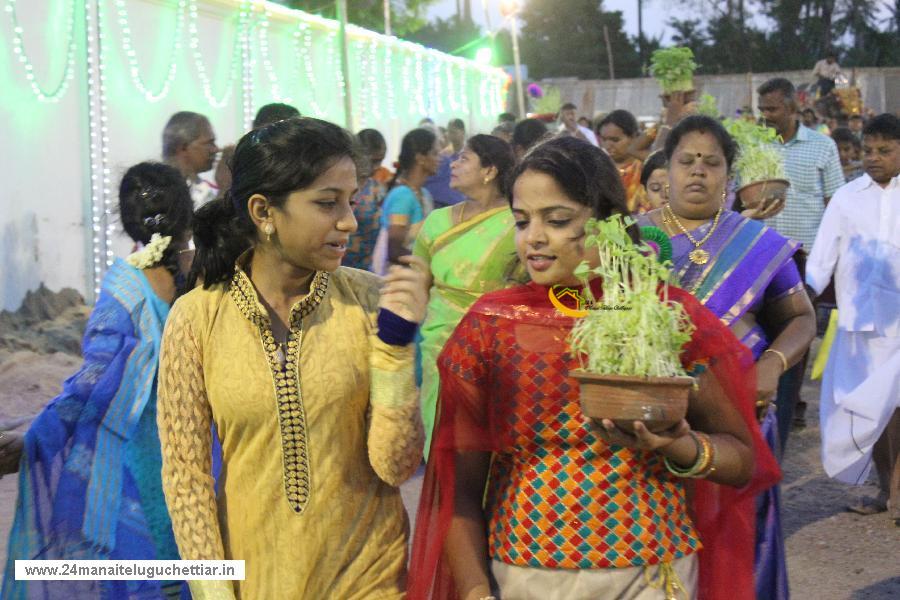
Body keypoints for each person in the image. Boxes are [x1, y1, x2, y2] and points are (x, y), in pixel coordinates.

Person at [408, 136, 780, 600]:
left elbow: (741, 461)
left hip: (650, 570)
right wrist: (477, 592)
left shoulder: (660, 317)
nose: (534, 238)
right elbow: (458, 489)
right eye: (522, 222)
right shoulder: (492, 327)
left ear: (608, 223)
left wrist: (679, 444)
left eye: (558, 220)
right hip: (527, 573)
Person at [157, 117, 427, 599]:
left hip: (367, 573)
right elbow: (187, 477)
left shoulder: (369, 301)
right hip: (257, 576)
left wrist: (394, 349)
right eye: (328, 203)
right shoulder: (196, 318)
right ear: (264, 211)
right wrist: (213, 591)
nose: (349, 220)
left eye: (350, 199)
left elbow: (396, 466)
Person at [639, 115, 817, 599]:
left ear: (729, 175)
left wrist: (772, 365)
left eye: (711, 162)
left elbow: (801, 317)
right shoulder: (631, 239)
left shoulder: (755, 242)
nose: (698, 172)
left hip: (742, 414)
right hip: (655, 418)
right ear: (668, 168)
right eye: (687, 161)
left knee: (740, 545)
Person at [2, 162, 194, 599]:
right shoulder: (208, 274)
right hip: (203, 449)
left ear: (126, 219)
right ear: (187, 212)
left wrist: (38, 432)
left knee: (151, 566)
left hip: (144, 453)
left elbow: (92, 384)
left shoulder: (126, 287)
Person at [806, 113, 900, 526]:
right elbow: (821, 259)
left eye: (885, 150)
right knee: (871, 411)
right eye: (868, 150)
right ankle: (885, 488)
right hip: (861, 326)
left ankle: (895, 494)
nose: (873, 158)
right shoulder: (846, 198)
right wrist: (799, 303)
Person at [414, 134, 523, 453]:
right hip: (437, 340)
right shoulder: (436, 221)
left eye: (464, 158)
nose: (453, 163)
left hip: (493, 347)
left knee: (481, 443)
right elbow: (420, 284)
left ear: (489, 170)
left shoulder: (517, 223)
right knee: (441, 440)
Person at [756, 77, 844, 441]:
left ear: (793, 109)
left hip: (802, 261)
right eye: (762, 110)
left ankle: (788, 413)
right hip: (757, 258)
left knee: (796, 339)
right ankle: (760, 409)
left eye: (772, 109)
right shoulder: (754, 146)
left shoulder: (822, 147)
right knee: (759, 337)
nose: (766, 117)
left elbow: (837, 206)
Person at [372, 128, 439, 275]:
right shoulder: (402, 196)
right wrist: (432, 265)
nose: (439, 158)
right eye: (434, 153)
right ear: (420, 158)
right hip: (397, 281)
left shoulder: (425, 195)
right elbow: (394, 250)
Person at [344, 138, 387, 270]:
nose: (377, 166)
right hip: (338, 265)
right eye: (374, 160)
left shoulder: (378, 189)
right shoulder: (338, 186)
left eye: (380, 160)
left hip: (367, 267)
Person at [162, 111, 220, 208]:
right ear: (183, 147)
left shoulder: (205, 188)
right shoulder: (160, 190)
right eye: (209, 143)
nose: (216, 149)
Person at [598, 109, 650, 213]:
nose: (607, 146)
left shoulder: (646, 167)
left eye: (615, 140)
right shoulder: (598, 168)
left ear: (634, 137)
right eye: (604, 140)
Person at [425, 119, 467, 209]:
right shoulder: (445, 155)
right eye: (449, 132)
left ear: (463, 132)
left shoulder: (468, 154)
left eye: (454, 132)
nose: (451, 136)